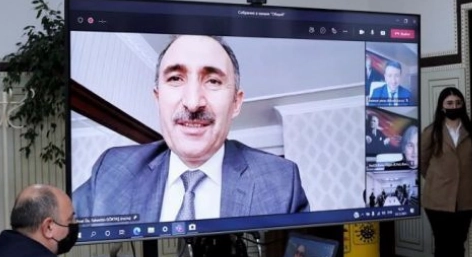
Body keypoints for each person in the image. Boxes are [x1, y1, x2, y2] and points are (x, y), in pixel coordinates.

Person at [74, 35, 309, 222]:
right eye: (176, 79)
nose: (193, 102)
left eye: (213, 81)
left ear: (236, 103)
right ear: (158, 98)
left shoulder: (281, 180)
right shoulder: (112, 169)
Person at [420, 87, 472, 257]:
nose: (454, 106)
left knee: (458, 244)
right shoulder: (432, 131)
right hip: (437, 199)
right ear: (442, 106)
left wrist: (462, 176)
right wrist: (438, 178)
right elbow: (422, 162)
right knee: (443, 244)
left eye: (457, 103)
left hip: (465, 199)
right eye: (449, 103)